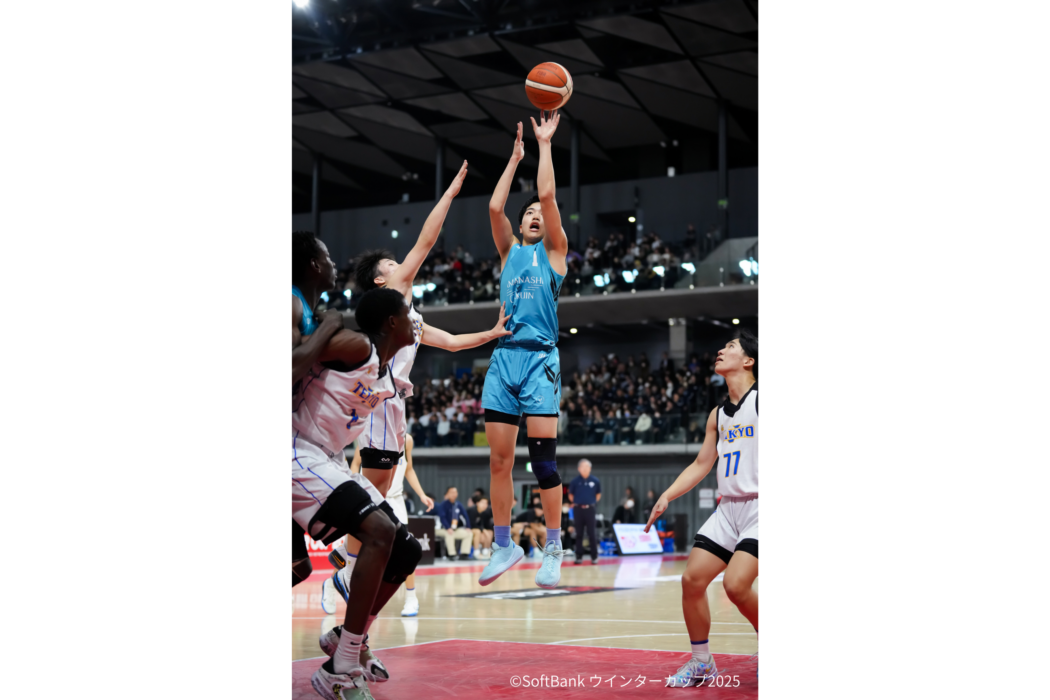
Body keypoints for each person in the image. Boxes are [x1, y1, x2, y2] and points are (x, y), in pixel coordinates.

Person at [325, 163, 512, 602]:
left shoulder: (409, 316)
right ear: (381, 279)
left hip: (395, 404)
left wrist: (491, 332)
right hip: (377, 398)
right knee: (372, 492)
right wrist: (450, 194)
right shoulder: (391, 296)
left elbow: (451, 343)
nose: (401, 265)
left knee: (379, 493)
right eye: (393, 264)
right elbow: (425, 242)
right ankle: (345, 567)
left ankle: (346, 566)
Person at [290, 287, 422, 698]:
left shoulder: (384, 371)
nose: (415, 321)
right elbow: (299, 355)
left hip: (327, 457)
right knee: (378, 532)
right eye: (408, 314)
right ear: (392, 322)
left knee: (407, 550)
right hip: (298, 449)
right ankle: (342, 665)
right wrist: (327, 323)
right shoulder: (357, 345)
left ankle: (348, 641)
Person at [479, 113, 569, 589]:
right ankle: (503, 544)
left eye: (539, 213)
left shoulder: (555, 254)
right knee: (499, 462)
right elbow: (495, 207)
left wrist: (544, 145)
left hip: (539, 361)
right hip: (504, 359)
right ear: (520, 225)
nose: (535, 213)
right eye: (528, 212)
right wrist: (514, 159)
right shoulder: (509, 252)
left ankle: (553, 545)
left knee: (543, 463)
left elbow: (549, 196)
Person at [646, 330, 759, 687]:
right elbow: (701, 464)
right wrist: (667, 495)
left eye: (731, 347)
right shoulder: (717, 415)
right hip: (729, 509)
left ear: (749, 361)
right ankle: (702, 663)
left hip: (758, 508)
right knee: (692, 580)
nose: (721, 350)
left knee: (736, 585)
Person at [326, 434, 434, 618]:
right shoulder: (369, 434)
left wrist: (422, 494)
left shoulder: (407, 440)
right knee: (355, 550)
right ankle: (331, 584)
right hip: (370, 498)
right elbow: (355, 465)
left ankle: (411, 597)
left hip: (395, 501)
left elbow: (409, 469)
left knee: (406, 549)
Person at [567, 459, 601, 565]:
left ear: (590, 468)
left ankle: (594, 556)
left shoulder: (595, 481)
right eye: (582, 467)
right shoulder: (575, 481)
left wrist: (591, 502)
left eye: (587, 467)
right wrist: (577, 502)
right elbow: (570, 494)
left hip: (590, 509)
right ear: (579, 469)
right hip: (578, 509)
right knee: (579, 533)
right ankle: (579, 556)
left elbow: (598, 494)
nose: (585, 469)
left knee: (592, 533)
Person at [437, 487, 473, 560]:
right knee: (449, 533)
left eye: (455, 492)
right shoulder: (443, 504)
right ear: (447, 494)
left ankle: (464, 554)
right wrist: (448, 527)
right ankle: (452, 554)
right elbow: (442, 518)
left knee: (469, 533)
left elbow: (465, 515)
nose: (454, 494)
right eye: (452, 492)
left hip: (455, 529)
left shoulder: (458, 504)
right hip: (442, 529)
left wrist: (468, 527)